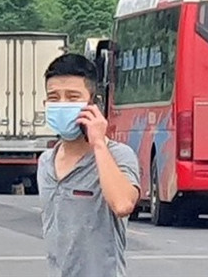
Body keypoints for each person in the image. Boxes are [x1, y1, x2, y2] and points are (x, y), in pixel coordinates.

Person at [37, 53, 140, 277]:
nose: (62, 104)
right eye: (54, 97)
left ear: (93, 104)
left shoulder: (118, 155)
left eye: (72, 97)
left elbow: (123, 204)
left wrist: (98, 143)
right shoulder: (46, 162)